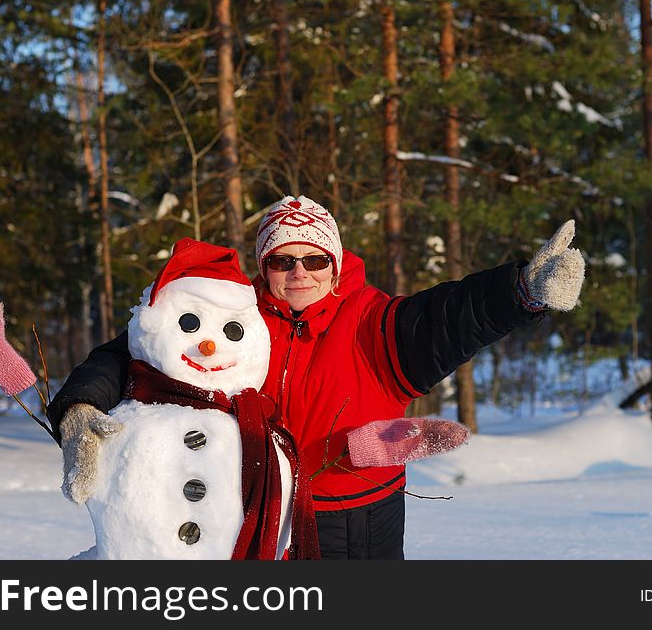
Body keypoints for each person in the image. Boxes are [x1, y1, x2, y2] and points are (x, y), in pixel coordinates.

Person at [49, 196, 585, 559]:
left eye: (313, 259)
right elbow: (135, 350)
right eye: (284, 261)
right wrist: (80, 404)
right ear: (265, 267)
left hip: (354, 520)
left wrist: (522, 290)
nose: (299, 272)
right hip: (260, 514)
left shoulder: (375, 324)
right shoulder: (239, 318)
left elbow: (453, 316)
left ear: (334, 264)